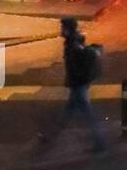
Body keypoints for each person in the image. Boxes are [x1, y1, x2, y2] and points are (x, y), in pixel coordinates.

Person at [40, 17, 105, 152]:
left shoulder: (72, 46)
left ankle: (100, 142)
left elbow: (75, 67)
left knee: (88, 113)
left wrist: (72, 80)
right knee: (68, 111)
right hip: (79, 83)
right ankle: (52, 136)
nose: (61, 30)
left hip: (78, 85)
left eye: (63, 28)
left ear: (68, 29)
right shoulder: (74, 42)